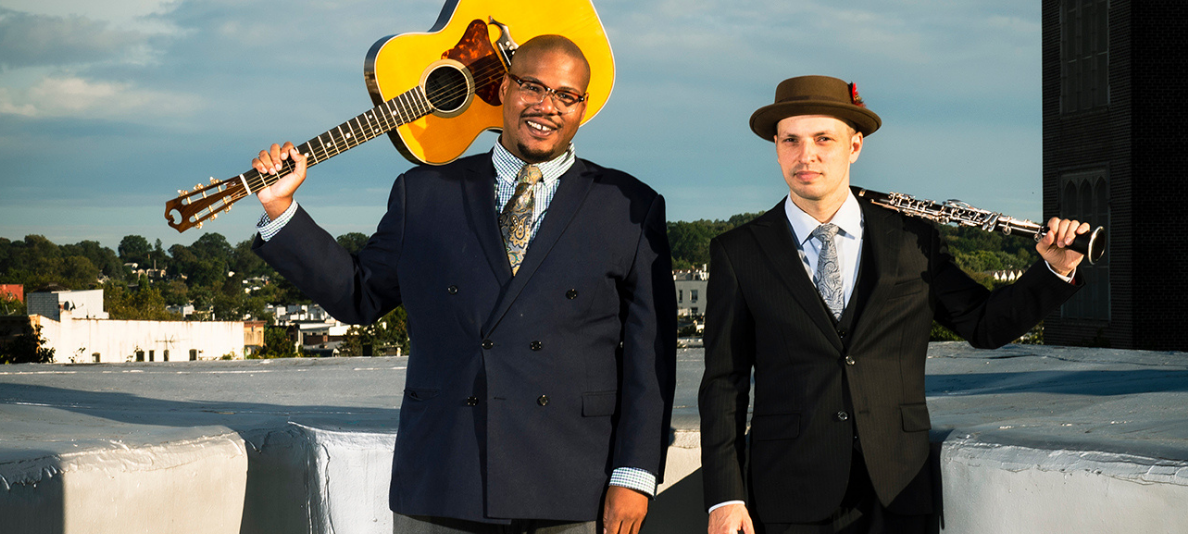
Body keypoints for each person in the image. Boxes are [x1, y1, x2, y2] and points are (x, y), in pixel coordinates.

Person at [250, 35, 677, 534]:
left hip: (574, 481)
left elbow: (651, 356)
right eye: (532, 87)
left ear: (583, 107)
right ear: (502, 89)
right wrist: (282, 210)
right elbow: (358, 295)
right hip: (444, 476)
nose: (546, 106)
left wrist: (635, 474)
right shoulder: (424, 193)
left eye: (566, 95)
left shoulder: (629, 207)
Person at [698, 75, 1089, 534]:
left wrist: (1054, 270)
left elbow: (984, 325)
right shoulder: (738, 251)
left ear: (855, 144)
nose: (807, 155)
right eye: (791, 141)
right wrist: (724, 496)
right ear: (778, 147)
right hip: (787, 492)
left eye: (824, 139)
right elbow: (724, 383)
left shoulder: (912, 239)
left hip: (899, 490)